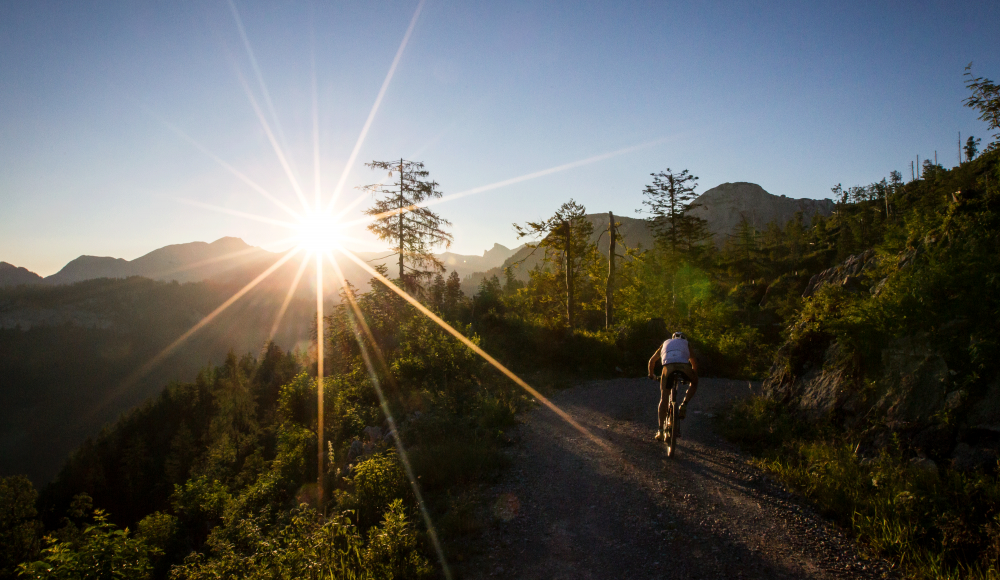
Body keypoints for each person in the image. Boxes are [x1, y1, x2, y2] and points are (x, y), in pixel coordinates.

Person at [647, 331, 699, 442]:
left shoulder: (665, 343)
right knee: (694, 383)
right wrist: (693, 375)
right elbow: (694, 364)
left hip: (668, 368)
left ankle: (660, 431)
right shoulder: (686, 343)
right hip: (684, 367)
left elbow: (652, 361)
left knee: (664, 397)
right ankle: (684, 405)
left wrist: (651, 375)